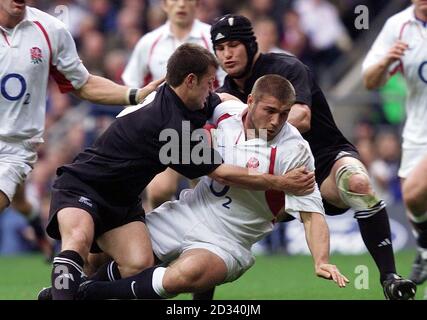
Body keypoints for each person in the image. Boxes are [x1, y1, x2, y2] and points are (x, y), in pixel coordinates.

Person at [43, 43, 314, 300]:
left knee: (139, 265)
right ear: (191, 80)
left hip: (123, 202)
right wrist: (281, 182)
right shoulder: (170, 126)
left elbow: (222, 100)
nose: (213, 88)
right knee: (78, 240)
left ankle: (68, 292)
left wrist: (251, 117)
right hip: (85, 184)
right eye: (210, 81)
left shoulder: (190, 100)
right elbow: (221, 173)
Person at [209, 14, 416, 300]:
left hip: (323, 161)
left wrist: (249, 130)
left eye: (233, 45)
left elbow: (302, 117)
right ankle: (200, 301)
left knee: (357, 182)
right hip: (273, 177)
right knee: (213, 222)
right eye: (220, 49)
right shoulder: (223, 93)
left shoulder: (286, 67)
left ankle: (391, 279)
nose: (227, 54)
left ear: (249, 43)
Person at [0, 1, 161, 260]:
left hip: (15, 147)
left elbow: (83, 84)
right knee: (21, 202)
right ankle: (37, 229)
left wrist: (134, 95)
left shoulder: (49, 29)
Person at [122, 0, 225, 211]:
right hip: (164, 128)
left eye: (187, 0)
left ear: (196, 4)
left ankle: (206, 240)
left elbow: (224, 84)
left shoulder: (212, 37)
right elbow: (131, 86)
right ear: (164, 5)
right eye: (174, 0)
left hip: (203, 126)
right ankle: (154, 235)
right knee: (159, 190)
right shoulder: (149, 42)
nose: (181, 5)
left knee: (206, 191)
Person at [362, 0, 427, 286]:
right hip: (417, 130)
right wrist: (388, 60)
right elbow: (370, 81)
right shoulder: (397, 26)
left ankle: (424, 252)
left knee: (413, 192)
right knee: (415, 202)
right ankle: (425, 252)